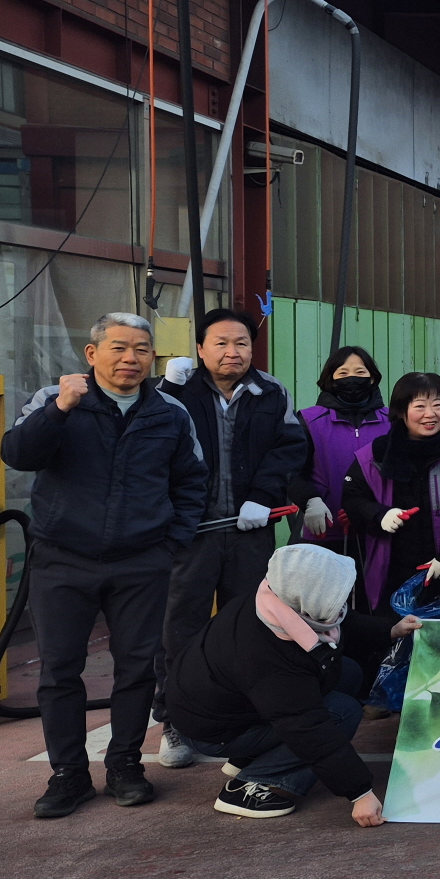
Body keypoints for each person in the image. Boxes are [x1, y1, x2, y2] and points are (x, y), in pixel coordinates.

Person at [1, 312, 207, 819]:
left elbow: (191, 482)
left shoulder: (170, 413)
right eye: (118, 347)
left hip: (141, 561)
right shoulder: (55, 400)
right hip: (61, 559)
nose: (130, 358)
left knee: (137, 668)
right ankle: (68, 775)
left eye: (140, 349)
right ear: (92, 354)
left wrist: (170, 543)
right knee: (60, 670)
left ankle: (125, 767)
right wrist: (60, 410)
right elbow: (17, 454)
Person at [154, 308, 308, 768]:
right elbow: (154, 443)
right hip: (192, 533)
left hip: (250, 530)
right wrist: (164, 389)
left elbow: (291, 447)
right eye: (219, 343)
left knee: (250, 626)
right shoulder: (177, 391)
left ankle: (244, 717)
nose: (231, 351)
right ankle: (175, 719)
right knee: (180, 626)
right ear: (200, 349)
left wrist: (262, 496)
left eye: (241, 342)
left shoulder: (271, 391)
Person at [165, 544, 386, 823]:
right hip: (212, 731)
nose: (343, 601)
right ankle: (256, 783)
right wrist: (360, 792)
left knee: (348, 673)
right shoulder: (269, 659)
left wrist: (390, 630)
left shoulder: (276, 598)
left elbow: (339, 617)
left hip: (223, 706)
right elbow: (306, 727)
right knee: (342, 713)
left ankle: (253, 756)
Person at [341, 373, 440, 615]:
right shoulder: (374, 455)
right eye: (420, 406)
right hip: (390, 571)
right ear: (402, 411)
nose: (430, 414)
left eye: (438, 405)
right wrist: (379, 515)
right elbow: (352, 497)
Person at [294, 345, 387, 551]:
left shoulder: (392, 421)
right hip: (325, 532)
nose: (352, 378)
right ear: (331, 380)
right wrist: (310, 501)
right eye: (343, 373)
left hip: (380, 530)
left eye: (360, 372)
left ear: (372, 378)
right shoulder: (309, 420)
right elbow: (292, 471)